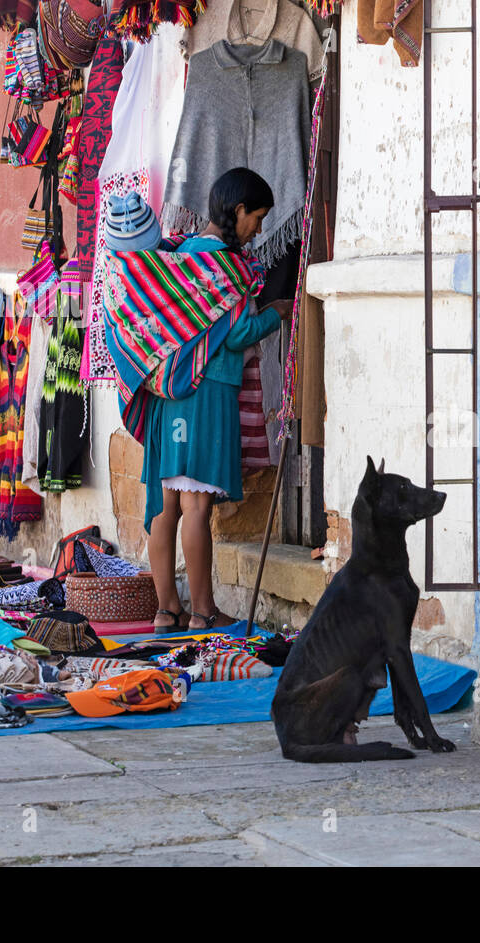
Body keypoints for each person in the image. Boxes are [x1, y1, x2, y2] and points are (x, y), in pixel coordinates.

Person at [138, 168, 288, 632]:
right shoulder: (224, 265)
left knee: (166, 501)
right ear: (238, 210)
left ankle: (167, 610)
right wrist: (277, 313)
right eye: (257, 218)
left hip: (168, 390)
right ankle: (203, 610)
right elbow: (238, 331)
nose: (259, 230)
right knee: (196, 505)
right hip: (204, 389)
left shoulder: (178, 254)